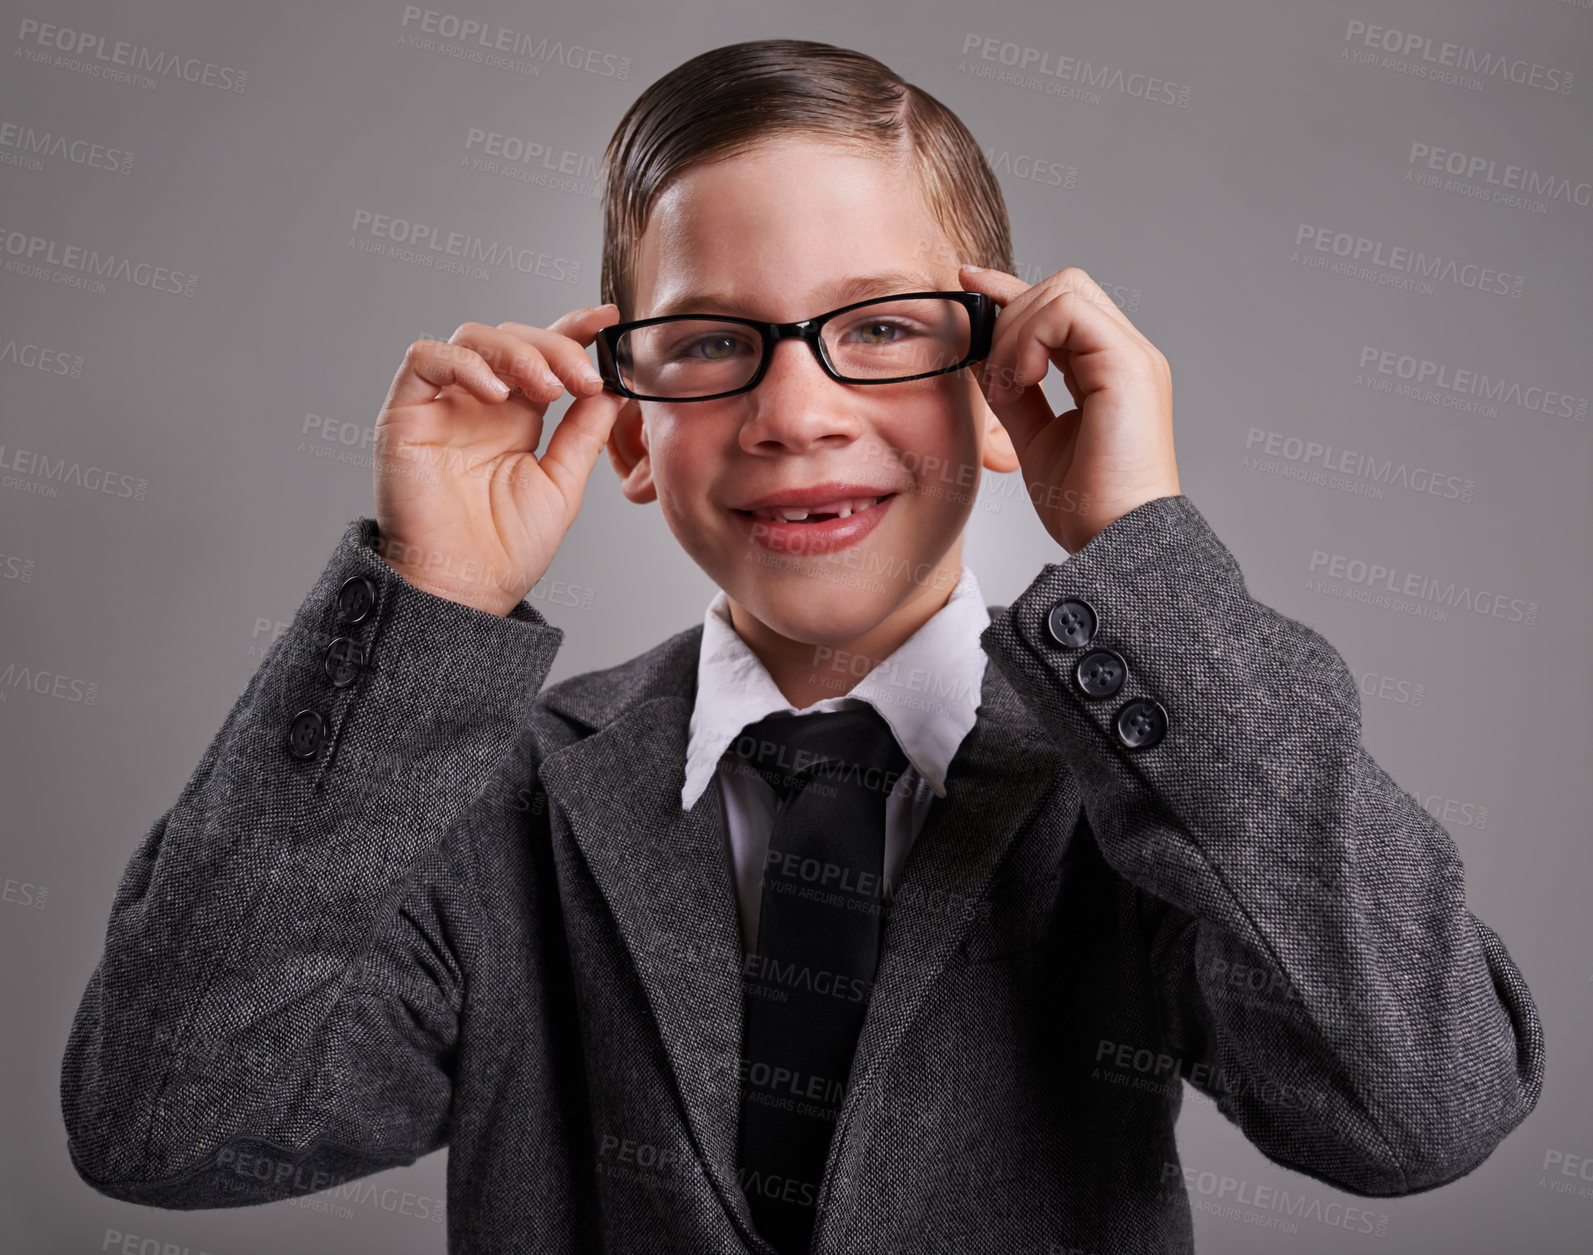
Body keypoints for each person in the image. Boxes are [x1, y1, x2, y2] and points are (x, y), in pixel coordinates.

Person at [60, 38, 1544, 1255]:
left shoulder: (1149, 786)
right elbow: (167, 1129)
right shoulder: (483, 795)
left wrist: (1143, 561)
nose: (796, 410)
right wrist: (426, 607)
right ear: (628, 427)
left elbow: (1414, 1109)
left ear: (995, 386)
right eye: (708, 341)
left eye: (885, 330)